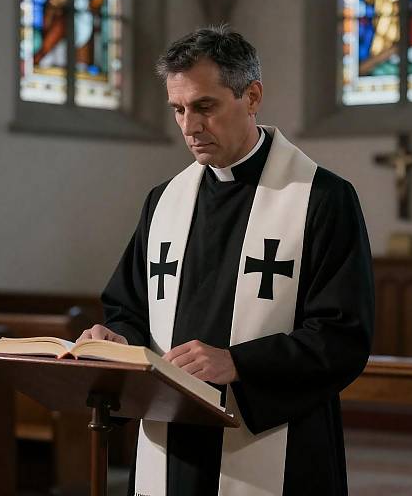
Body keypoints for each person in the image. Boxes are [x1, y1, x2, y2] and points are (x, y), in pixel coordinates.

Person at [77, 25, 374, 496]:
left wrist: (237, 362)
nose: (189, 127)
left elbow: (343, 337)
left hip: (277, 444)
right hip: (170, 444)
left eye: (204, 107)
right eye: (178, 109)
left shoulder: (321, 199)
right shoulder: (164, 201)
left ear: (252, 96)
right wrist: (117, 340)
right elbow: (129, 310)